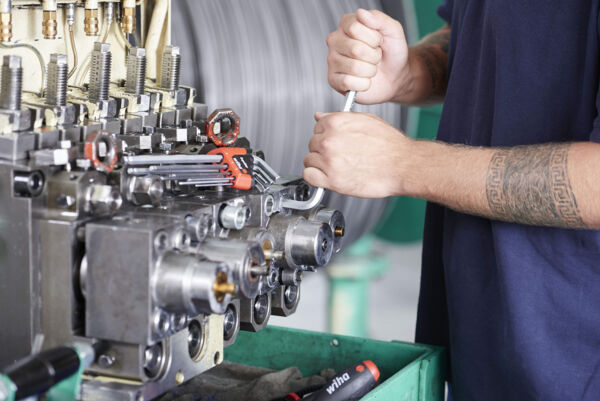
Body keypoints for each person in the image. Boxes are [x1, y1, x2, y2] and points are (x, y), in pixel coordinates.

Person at [303, 3, 600, 401]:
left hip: (569, 356)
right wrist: (410, 72)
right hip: (476, 329)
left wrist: (402, 164)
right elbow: (479, 30)